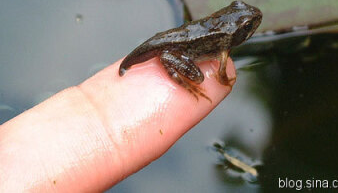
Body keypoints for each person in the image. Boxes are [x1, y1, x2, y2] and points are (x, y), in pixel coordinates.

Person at [0, 57, 235, 191]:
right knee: (198, 78)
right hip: (173, 51)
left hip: (173, 46)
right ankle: (184, 84)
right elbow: (222, 73)